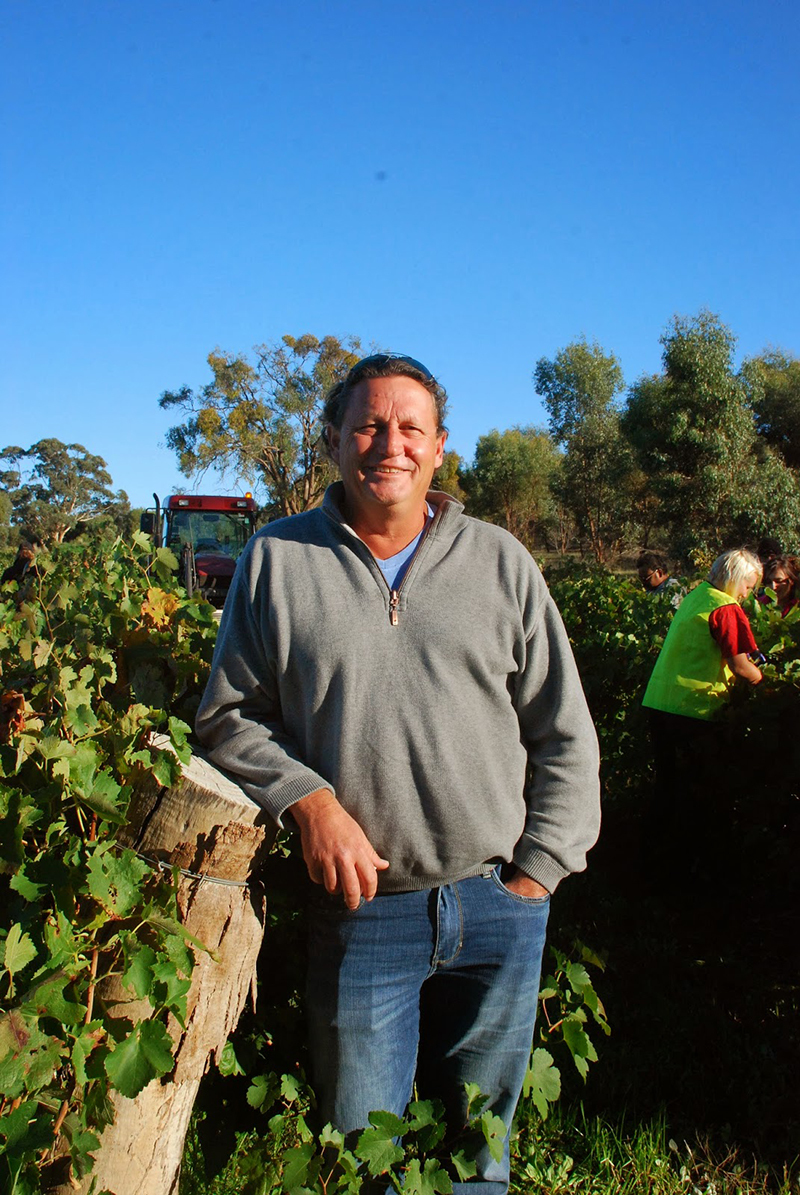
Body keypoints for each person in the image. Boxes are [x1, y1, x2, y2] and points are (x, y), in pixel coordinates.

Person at [196, 352, 601, 1192]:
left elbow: (564, 731)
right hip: (363, 912)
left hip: (498, 904)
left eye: (411, 427)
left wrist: (538, 872)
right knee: (360, 1156)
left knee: (479, 1156)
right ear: (335, 438)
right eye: (370, 425)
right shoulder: (278, 559)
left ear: (440, 446)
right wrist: (309, 801)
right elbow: (229, 716)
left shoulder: (501, 563)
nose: (391, 444)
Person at [641, 548, 763, 887]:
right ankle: (688, 874)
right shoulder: (725, 607)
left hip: (661, 701)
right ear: (736, 580)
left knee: (667, 788)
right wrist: (766, 682)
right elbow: (741, 665)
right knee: (696, 793)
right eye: (748, 586)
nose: (747, 594)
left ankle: (649, 866)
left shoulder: (697, 597)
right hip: (694, 710)